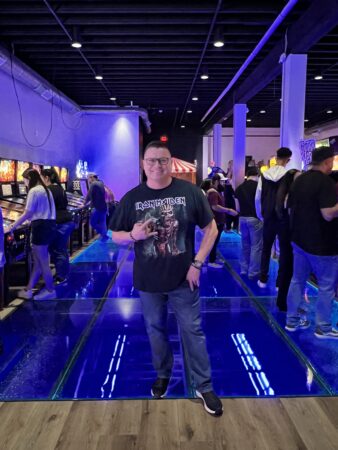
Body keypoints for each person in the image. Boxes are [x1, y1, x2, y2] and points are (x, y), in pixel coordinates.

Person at [111, 140, 223, 416]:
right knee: (155, 331)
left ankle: (203, 385)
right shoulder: (132, 198)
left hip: (184, 279)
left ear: (170, 162)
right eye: (151, 160)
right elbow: (115, 235)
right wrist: (133, 236)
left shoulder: (190, 192)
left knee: (192, 331)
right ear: (143, 164)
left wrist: (197, 263)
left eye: (162, 160)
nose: (157, 165)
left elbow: (212, 228)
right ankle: (163, 375)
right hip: (149, 281)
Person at [285, 146, 338, 339]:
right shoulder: (326, 183)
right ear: (327, 161)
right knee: (326, 285)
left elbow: (289, 207)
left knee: (297, 280)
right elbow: (328, 214)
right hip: (322, 244)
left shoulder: (300, 180)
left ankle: (292, 320)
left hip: (299, 240)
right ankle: (323, 327)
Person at [10, 169, 57, 300]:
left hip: (40, 227)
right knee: (38, 262)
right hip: (49, 225)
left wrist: (13, 226)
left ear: (29, 178)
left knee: (42, 262)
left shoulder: (34, 191)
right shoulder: (46, 189)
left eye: (24, 179)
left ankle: (50, 290)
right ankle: (28, 289)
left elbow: (28, 213)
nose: (24, 183)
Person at [255, 147, 292, 289]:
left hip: (268, 217)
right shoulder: (289, 176)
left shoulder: (264, 176)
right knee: (284, 251)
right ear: (288, 160)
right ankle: (279, 284)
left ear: (276, 158)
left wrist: (261, 215)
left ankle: (263, 279)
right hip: (283, 218)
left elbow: (258, 198)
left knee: (266, 248)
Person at [41, 168, 75, 284]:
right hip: (66, 221)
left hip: (59, 222)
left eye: (42, 177)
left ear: (47, 178)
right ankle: (63, 273)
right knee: (60, 249)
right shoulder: (60, 188)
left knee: (57, 250)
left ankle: (61, 277)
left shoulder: (49, 190)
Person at [234, 166, 262, 279]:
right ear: (257, 174)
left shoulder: (239, 188)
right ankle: (253, 272)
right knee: (256, 246)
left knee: (245, 245)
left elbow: (238, 208)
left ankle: (244, 269)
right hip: (255, 218)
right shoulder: (259, 188)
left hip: (242, 219)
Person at [207, 174, 238, 268]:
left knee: (215, 242)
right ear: (216, 181)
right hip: (215, 221)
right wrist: (228, 210)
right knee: (213, 241)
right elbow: (214, 206)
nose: (224, 183)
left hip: (218, 221)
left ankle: (213, 258)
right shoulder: (213, 192)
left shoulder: (216, 191)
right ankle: (211, 261)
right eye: (222, 181)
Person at [85, 173, 108, 241]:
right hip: (103, 207)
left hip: (97, 207)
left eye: (88, 178)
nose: (88, 181)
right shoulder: (101, 183)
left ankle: (103, 233)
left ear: (92, 177)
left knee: (93, 223)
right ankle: (104, 236)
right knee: (103, 223)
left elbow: (89, 195)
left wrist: (84, 204)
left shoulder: (94, 184)